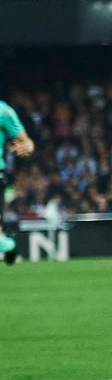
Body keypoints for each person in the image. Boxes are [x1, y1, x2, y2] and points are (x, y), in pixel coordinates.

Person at [0, 99, 35, 265]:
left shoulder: (4, 111)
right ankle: (7, 245)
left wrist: (26, 147)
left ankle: (6, 245)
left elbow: (26, 142)